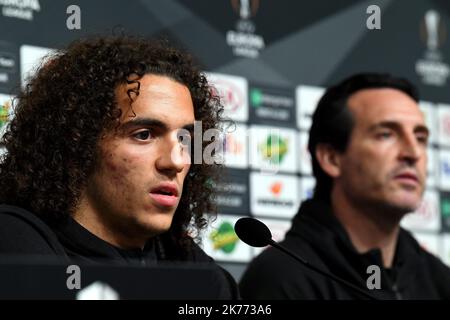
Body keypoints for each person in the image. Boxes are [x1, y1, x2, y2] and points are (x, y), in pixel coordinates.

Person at [0, 35, 238, 299]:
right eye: (144, 135)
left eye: (185, 140)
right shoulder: (16, 241)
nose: (175, 161)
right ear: (79, 142)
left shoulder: (186, 262)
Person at [239, 73, 450, 299]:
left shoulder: (438, 279)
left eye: (420, 138)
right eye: (386, 134)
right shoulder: (281, 278)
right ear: (331, 158)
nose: (413, 153)